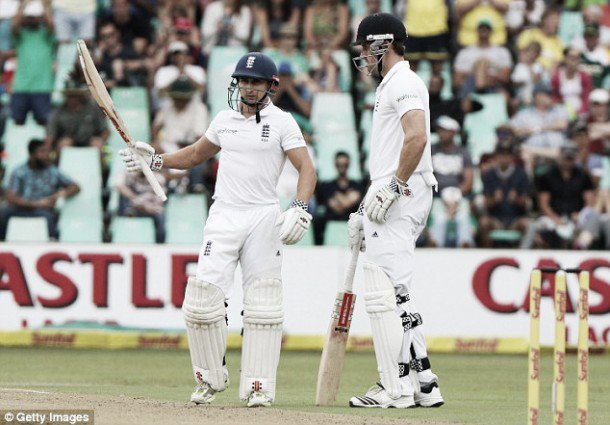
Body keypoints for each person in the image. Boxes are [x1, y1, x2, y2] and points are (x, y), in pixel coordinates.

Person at [119, 52, 316, 407]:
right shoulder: (224, 120)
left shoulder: (283, 122)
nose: (249, 87)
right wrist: (155, 160)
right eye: (244, 80)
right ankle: (210, 378)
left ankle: (259, 386)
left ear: (271, 86)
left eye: (256, 82)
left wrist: (300, 208)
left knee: (263, 304)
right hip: (224, 214)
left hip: (262, 217)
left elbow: (306, 169)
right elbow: (195, 155)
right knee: (201, 301)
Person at [347, 13, 443, 408]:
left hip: (401, 191)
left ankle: (396, 386)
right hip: (398, 190)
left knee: (385, 292)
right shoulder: (395, 82)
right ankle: (424, 382)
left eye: (365, 49)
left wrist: (393, 185)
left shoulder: (402, 81)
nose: (363, 58)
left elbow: (416, 137)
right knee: (398, 290)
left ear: (381, 44)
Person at [0, 139, 80, 240]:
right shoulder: (19, 171)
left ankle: (53, 245)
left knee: (49, 217)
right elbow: (11, 197)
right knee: (2, 211)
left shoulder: (53, 171)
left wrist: (58, 194)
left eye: (47, 151)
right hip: (21, 208)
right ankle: (2, 245)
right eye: (42, 151)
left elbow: (75, 187)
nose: (47, 155)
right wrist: (36, 204)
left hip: (43, 210)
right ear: (32, 154)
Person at [10, 0, 54, 126]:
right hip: (20, 87)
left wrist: (44, 6)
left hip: (42, 87)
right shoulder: (20, 36)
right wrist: (23, 5)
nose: (31, 19)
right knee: (17, 123)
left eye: (33, 17)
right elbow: (14, 26)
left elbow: (50, 24)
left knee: (44, 123)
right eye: (28, 17)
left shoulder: (46, 36)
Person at [46, 77, 109, 152]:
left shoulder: (93, 108)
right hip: (67, 141)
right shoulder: (58, 111)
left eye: (75, 95)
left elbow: (105, 131)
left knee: (97, 144)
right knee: (64, 144)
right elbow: (50, 134)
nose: (72, 99)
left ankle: (100, 163)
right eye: (69, 95)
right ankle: (59, 163)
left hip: (89, 141)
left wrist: (100, 139)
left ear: (80, 96)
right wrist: (49, 147)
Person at [314, 151, 363, 244]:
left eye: (345, 164)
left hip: (351, 217)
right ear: (335, 165)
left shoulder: (357, 184)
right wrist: (347, 197)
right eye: (339, 164)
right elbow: (333, 206)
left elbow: (348, 202)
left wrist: (337, 196)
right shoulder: (327, 185)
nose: (342, 166)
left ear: (348, 165)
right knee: (317, 220)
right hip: (332, 217)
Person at [431, 116, 474, 197]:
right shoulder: (430, 150)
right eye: (439, 130)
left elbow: (468, 181)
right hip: (433, 194)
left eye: (444, 130)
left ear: (453, 132)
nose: (440, 133)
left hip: (458, 195)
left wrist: (454, 194)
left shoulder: (463, 152)